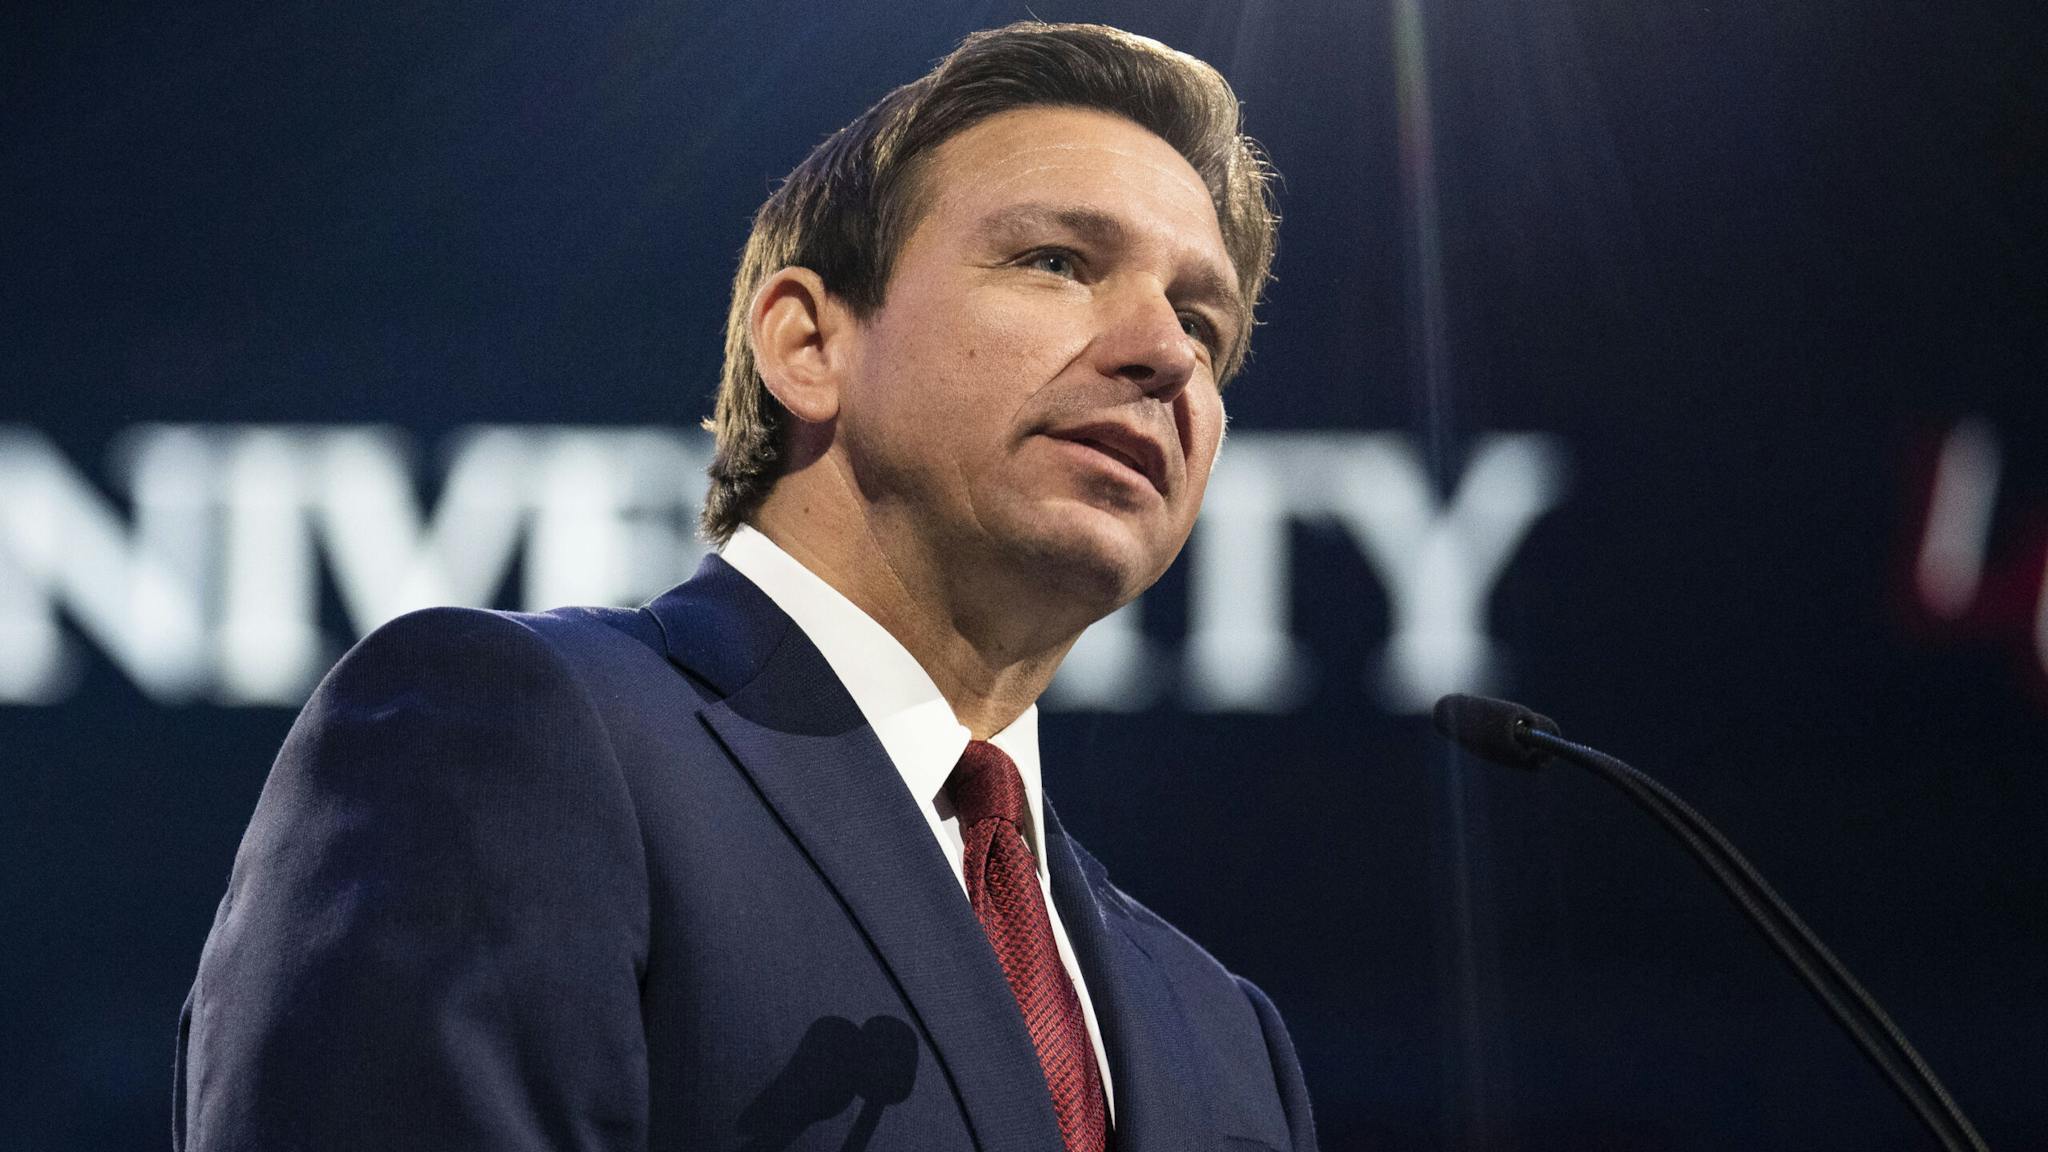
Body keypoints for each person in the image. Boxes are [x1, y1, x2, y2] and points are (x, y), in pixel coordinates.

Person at [176, 21, 1313, 1152]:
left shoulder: (1221, 1037)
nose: (1162, 353)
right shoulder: (515, 736)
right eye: (1057, 261)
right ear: (806, 345)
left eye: (1202, 326)